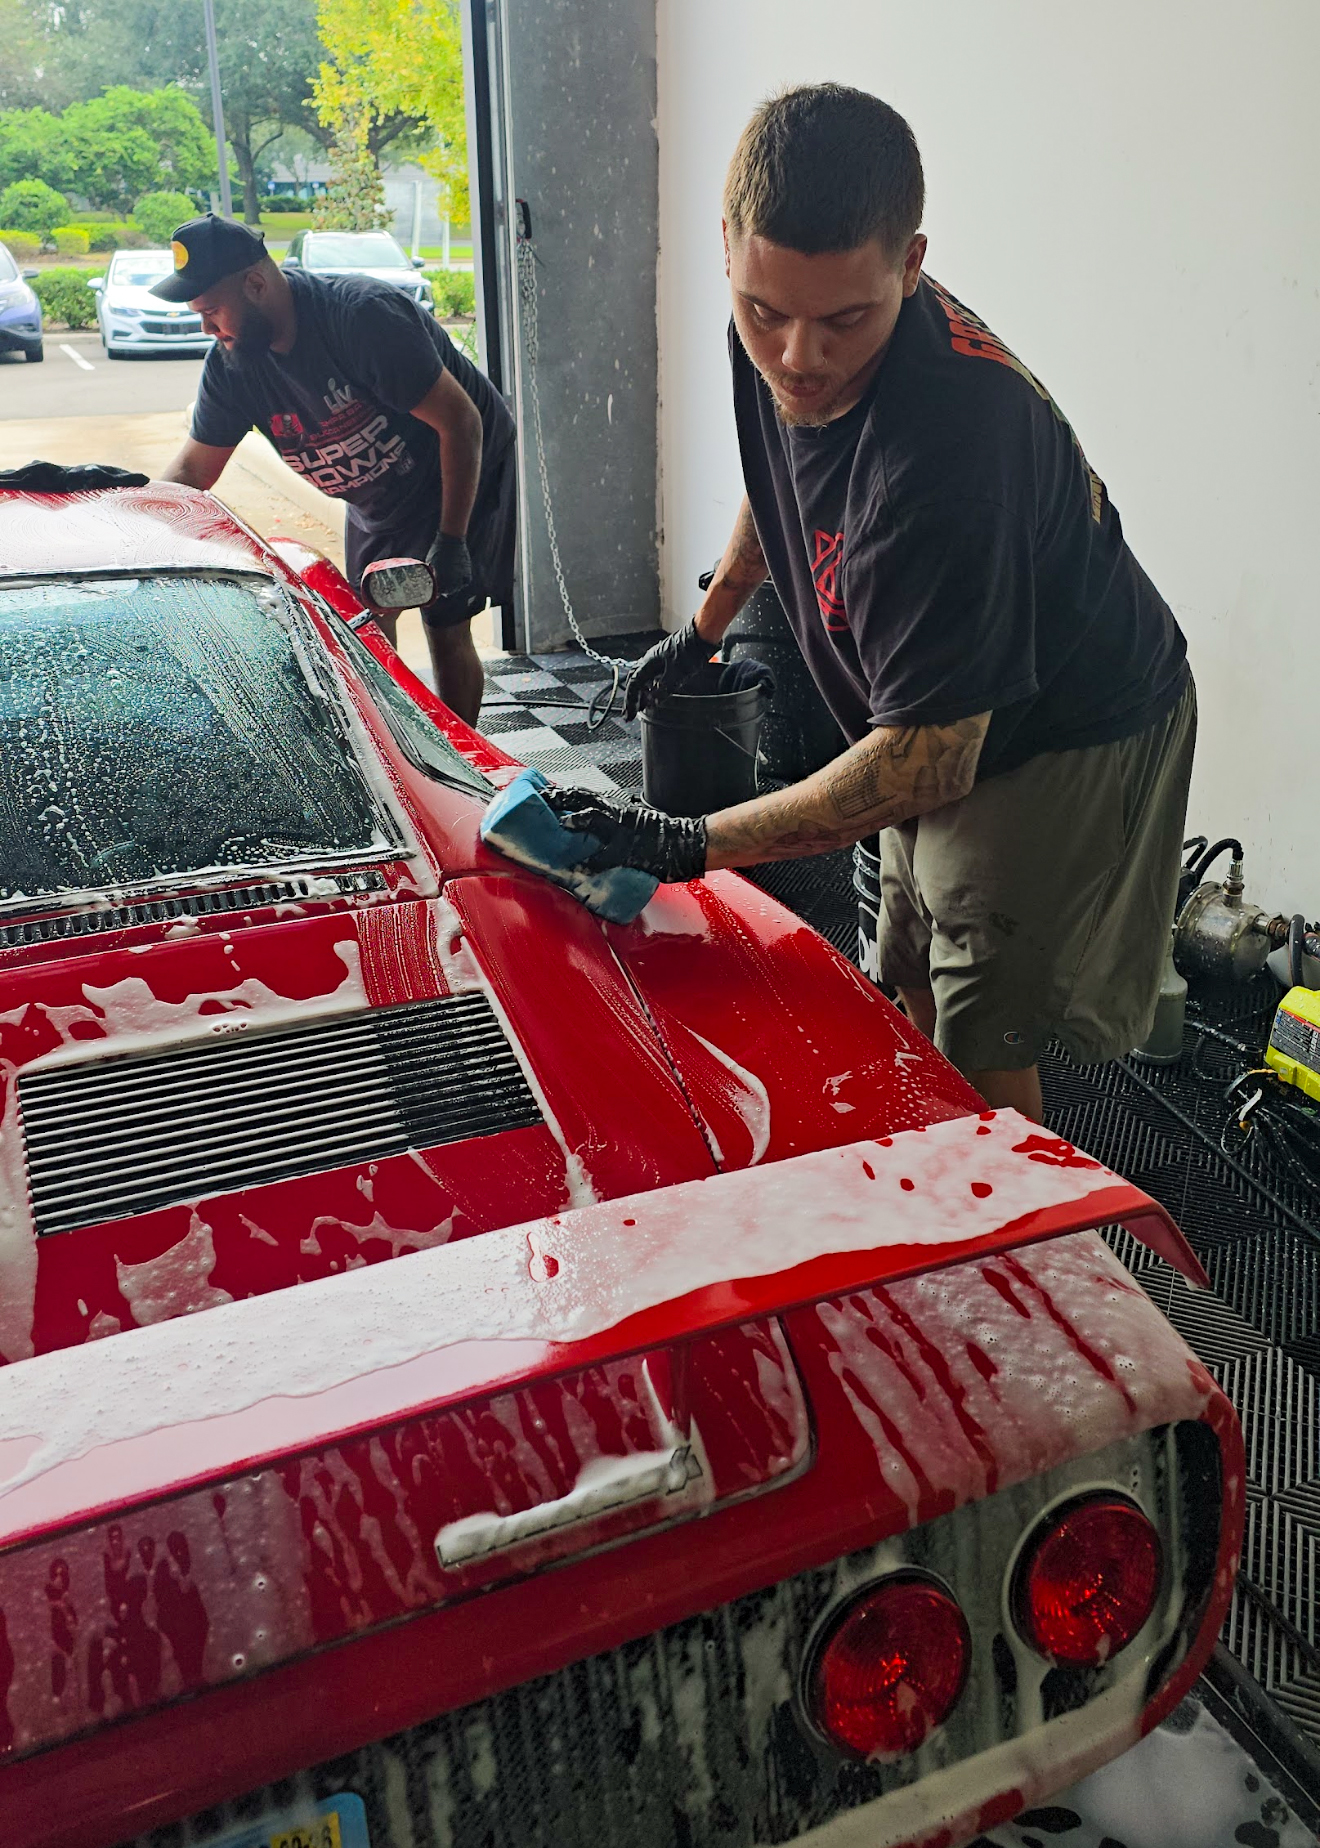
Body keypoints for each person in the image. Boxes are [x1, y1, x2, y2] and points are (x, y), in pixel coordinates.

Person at [543, 84, 1195, 1123]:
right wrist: (701, 633)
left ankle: (1011, 1254)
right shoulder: (776, 332)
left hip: (1064, 722)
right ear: (731, 250)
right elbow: (784, 482)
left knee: (985, 1011)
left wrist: (686, 843)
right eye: (768, 312)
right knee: (901, 955)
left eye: (846, 319)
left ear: (912, 264)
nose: (798, 358)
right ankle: (916, 1173)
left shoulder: (947, 456)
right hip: (927, 699)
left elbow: (927, 761)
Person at [157, 215, 515, 725]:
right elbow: (194, 470)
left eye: (212, 311)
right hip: (377, 499)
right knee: (369, 623)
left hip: (455, 470)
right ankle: (401, 762)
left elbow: (462, 422)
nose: (208, 330)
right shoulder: (234, 364)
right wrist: (125, 508)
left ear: (256, 285)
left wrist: (453, 539)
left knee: (445, 621)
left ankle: (464, 768)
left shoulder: (363, 319)